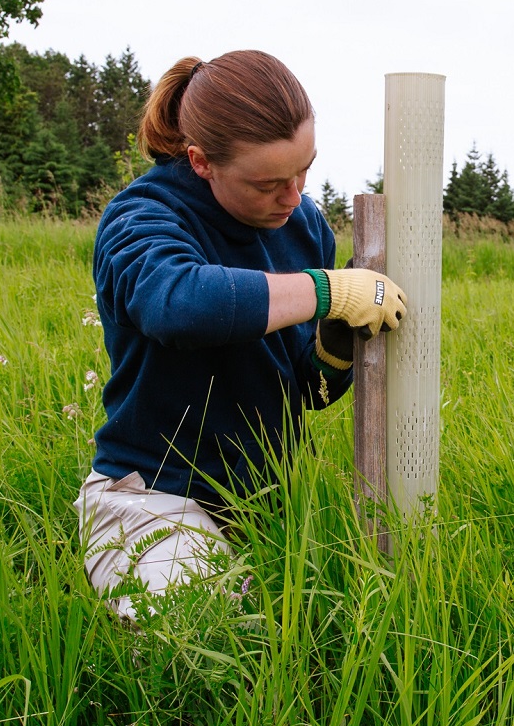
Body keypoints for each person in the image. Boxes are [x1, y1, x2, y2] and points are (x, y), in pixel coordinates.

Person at [73, 49, 407, 619]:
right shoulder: (143, 218)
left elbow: (301, 389)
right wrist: (327, 290)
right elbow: (176, 304)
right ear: (202, 162)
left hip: (265, 509)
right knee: (203, 634)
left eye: (305, 169)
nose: (294, 194)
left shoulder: (303, 226)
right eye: (269, 182)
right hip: (153, 495)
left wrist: (333, 348)